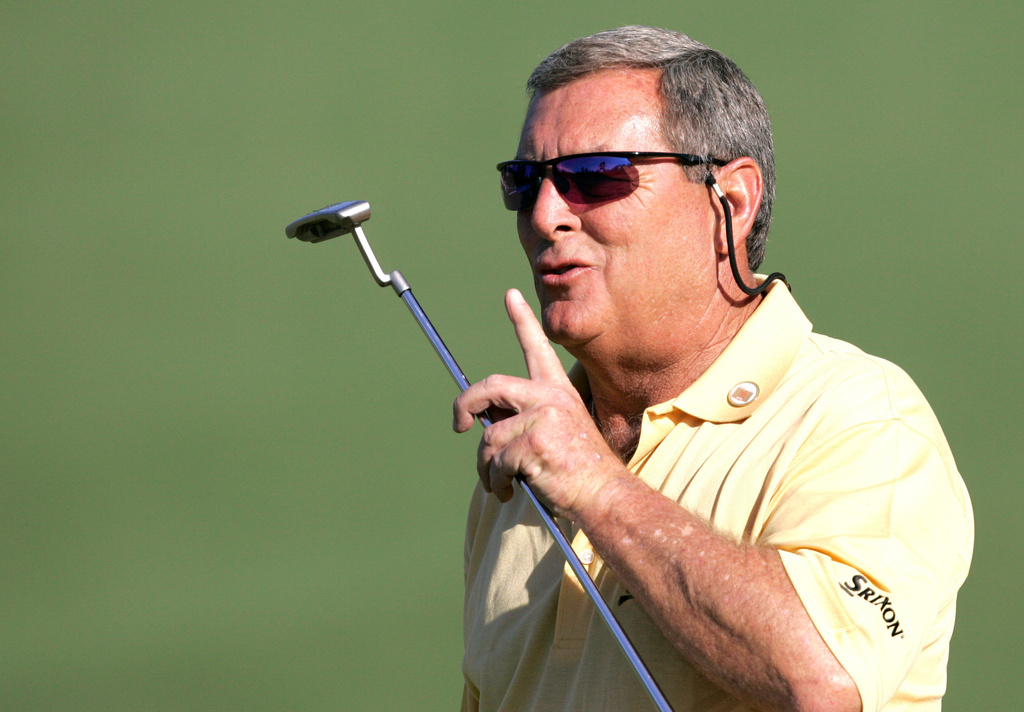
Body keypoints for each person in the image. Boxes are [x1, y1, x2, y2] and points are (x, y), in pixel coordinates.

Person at [452, 25, 973, 712]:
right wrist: (580, 469)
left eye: (597, 175)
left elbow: (825, 680)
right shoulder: (534, 462)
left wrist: (597, 488)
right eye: (525, 182)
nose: (547, 214)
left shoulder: (863, 418)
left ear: (731, 199)